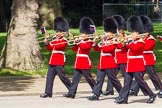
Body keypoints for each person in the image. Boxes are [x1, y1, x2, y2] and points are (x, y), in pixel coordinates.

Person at [114, 15, 156, 104]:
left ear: (138, 32)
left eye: (133, 32)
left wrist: (128, 42)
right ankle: (123, 98)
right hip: (130, 64)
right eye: (131, 32)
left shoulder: (141, 41)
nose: (131, 33)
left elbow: (135, 49)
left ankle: (151, 94)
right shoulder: (131, 41)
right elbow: (124, 49)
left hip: (138, 64)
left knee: (140, 81)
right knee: (127, 82)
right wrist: (124, 44)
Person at [87, 17, 122, 100]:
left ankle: (122, 93)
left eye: (108, 32)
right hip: (102, 63)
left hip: (109, 63)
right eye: (106, 31)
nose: (106, 33)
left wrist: (103, 41)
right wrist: (95, 43)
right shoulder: (105, 40)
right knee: (99, 79)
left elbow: (107, 49)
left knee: (113, 79)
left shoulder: (114, 40)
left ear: (112, 32)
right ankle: (96, 94)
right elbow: (97, 49)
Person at [129, 15, 162, 98]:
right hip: (141, 59)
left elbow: (145, 48)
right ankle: (134, 89)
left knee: (152, 75)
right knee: (138, 76)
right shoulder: (140, 39)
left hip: (148, 59)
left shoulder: (151, 39)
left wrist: (139, 41)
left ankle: (161, 89)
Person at [63, 17, 96, 98]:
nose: (82, 35)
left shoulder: (89, 41)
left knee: (89, 79)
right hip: (78, 62)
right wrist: (75, 43)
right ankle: (71, 93)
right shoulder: (81, 41)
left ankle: (97, 90)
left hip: (84, 62)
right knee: (75, 80)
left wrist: (79, 41)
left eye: (83, 34)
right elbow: (74, 49)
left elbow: (85, 48)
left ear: (87, 34)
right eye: (81, 33)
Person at [40, 16, 72, 98]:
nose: (57, 33)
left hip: (59, 61)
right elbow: (49, 48)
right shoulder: (54, 40)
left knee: (62, 77)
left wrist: (52, 40)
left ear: (63, 32)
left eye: (59, 31)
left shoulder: (64, 40)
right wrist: (47, 43)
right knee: (49, 77)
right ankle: (48, 92)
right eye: (57, 31)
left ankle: (72, 89)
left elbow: (58, 46)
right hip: (52, 60)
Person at [103, 15, 127, 96]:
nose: (119, 31)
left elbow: (123, 47)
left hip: (122, 58)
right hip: (115, 59)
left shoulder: (125, 36)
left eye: (120, 29)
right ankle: (109, 89)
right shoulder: (112, 37)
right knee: (112, 75)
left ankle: (129, 89)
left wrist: (118, 41)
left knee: (126, 76)